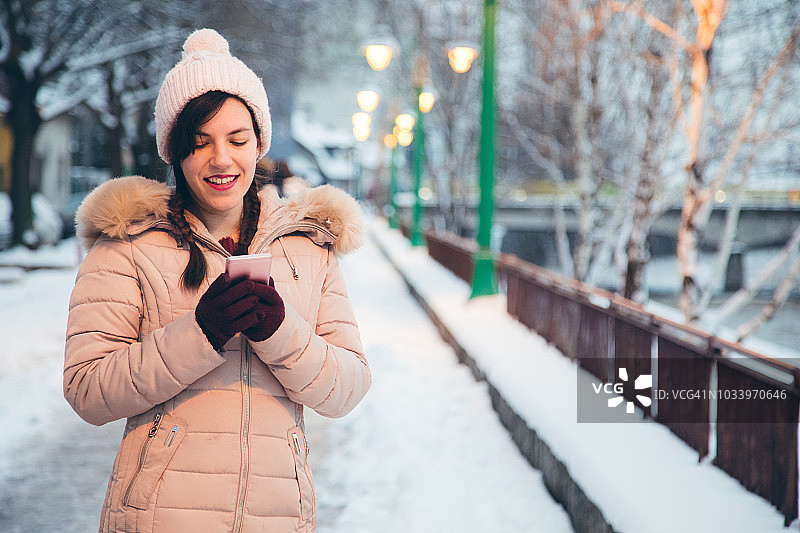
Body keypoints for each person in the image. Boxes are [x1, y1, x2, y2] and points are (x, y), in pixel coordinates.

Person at [63, 28, 370, 533]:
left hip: (278, 519)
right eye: (200, 142)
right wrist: (199, 334)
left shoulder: (308, 248)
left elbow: (347, 388)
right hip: (160, 518)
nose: (221, 159)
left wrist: (281, 332)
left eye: (238, 139)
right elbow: (87, 390)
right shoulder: (128, 243)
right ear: (175, 153)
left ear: (259, 145)